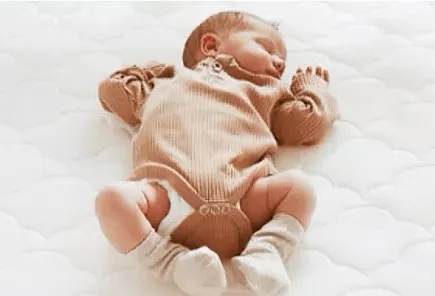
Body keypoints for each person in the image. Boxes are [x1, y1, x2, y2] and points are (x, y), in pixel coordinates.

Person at [93, 10, 338, 296]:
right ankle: (171, 262)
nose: (280, 62)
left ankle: (267, 249)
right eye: (266, 47)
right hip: (168, 196)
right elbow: (112, 91)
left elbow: (307, 123)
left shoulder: (267, 93)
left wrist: (313, 89)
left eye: (281, 60)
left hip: (246, 197)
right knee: (111, 200)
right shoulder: (162, 85)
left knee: (300, 187)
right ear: (211, 46)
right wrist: (156, 70)